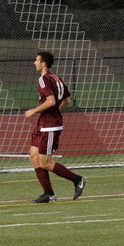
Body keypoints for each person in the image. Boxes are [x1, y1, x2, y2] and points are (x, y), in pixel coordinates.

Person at [25, 51, 87, 203]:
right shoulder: (56, 78)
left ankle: (78, 179)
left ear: (43, 63)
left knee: (45, 163)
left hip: (49, 126)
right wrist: (54, 113)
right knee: (34, 157)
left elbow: (51, 101)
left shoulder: (43, 79)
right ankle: (48, 193)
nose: (34, 62)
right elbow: (67, 101)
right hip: (44, 123)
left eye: (37, 60)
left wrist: (34, 110)